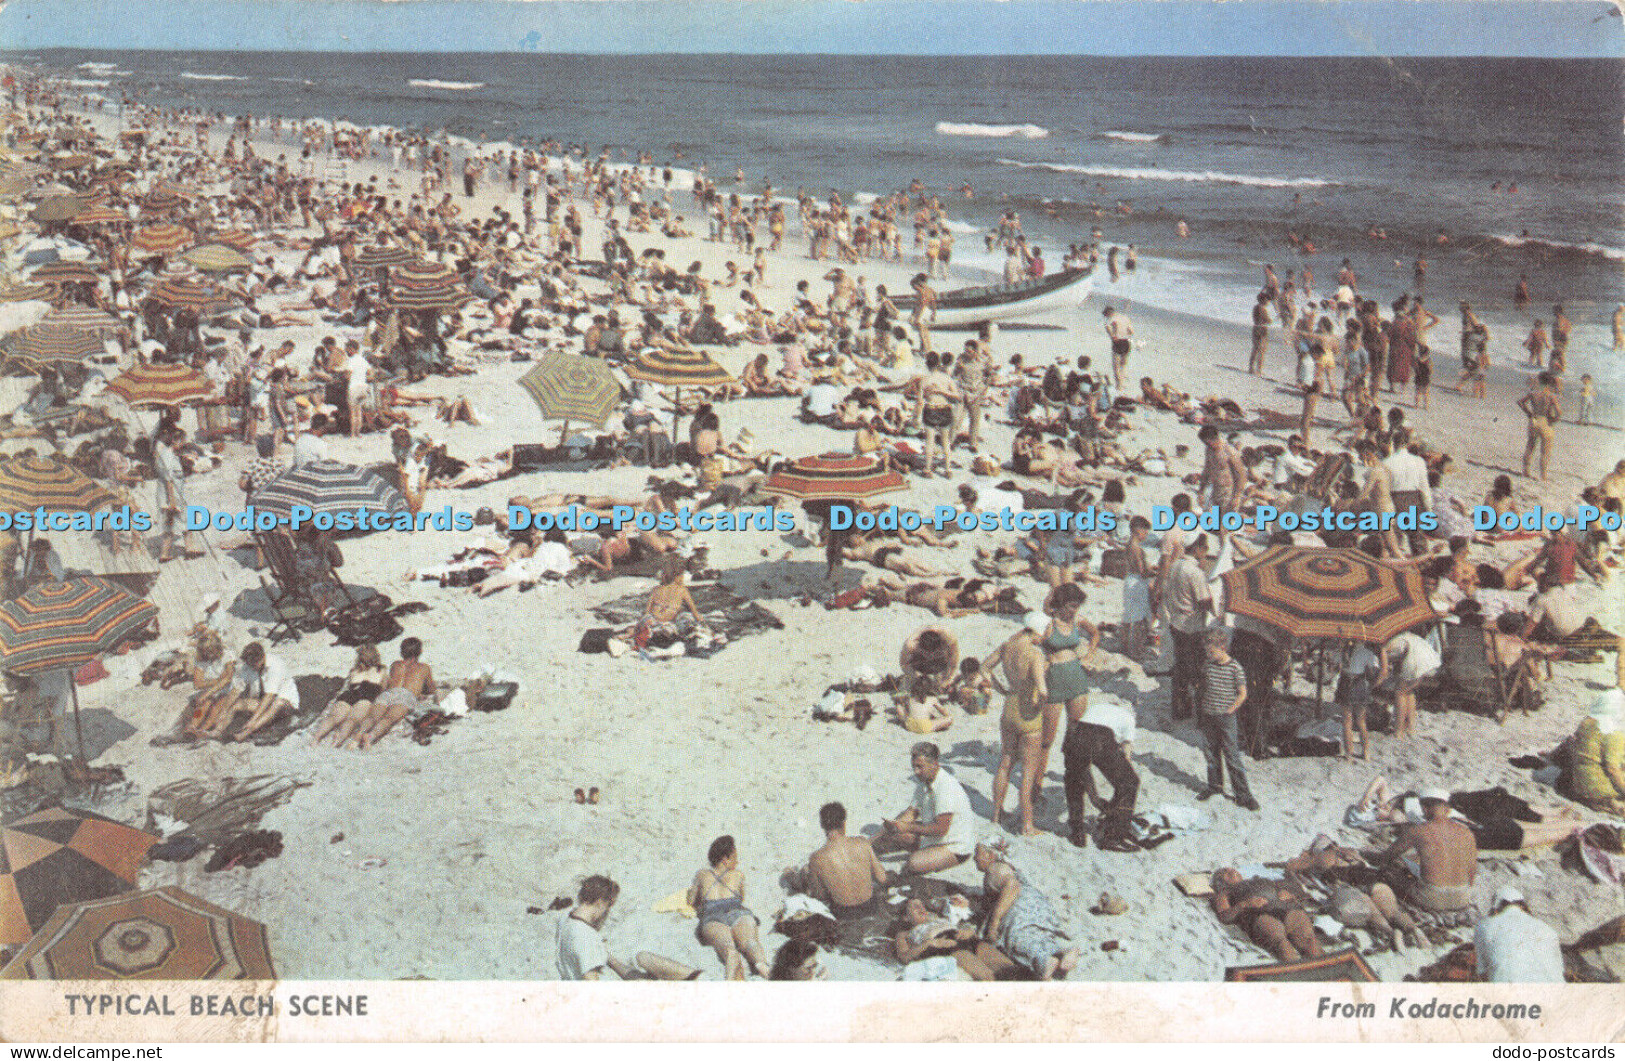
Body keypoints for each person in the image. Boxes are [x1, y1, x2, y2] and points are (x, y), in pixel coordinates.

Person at [980, 615, 1049, 836]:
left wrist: (999, 687)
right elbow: (1043, 689)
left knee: (1005, 762)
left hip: (1009, 708)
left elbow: (984, 668)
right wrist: (1040, 706)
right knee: (1028, 772)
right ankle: (1027, 825)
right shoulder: (1035, 654)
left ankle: (996, 814)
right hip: (1028, 713)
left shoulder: (1007, 646)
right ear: (1036, 632)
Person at [974, 843, 1079, 980]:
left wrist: (995, 921)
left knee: (1017, 939)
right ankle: (1061, 952)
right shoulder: (1006, 868)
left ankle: (1045, 961)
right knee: (1036, 934)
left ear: (991, 855)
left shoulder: (994, 869)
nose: (975, 859)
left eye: (978, 854)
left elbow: (1012, 886)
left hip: (1019, 905)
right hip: (1036, 904)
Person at [879, 742, 976, 872]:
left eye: (920, 767)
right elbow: (912, 812)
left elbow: (941, 829)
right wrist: (895, 826)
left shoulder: (945, 787)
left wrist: (907, 827)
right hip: (935, 836)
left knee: (914, 863)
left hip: (955, 845)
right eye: (914, 767)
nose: (916, 772)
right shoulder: (925, 780)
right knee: (893, 833)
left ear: (934, 764)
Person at [1377, 788, 1477, 912]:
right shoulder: (1467, 832)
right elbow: (1472, 872)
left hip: (1431, 898)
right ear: (1447, 809)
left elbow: (1389, 855)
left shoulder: (1418, 830)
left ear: (1424, 808)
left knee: (1392, 869)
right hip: (1462, 898)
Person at [687, 835, 771, 979]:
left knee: (728, 948)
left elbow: (691, 901)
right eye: (735, 858)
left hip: (712, 915)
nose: (737, 861)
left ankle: (732, 960)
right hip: (737, 912)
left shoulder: (702, 874)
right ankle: (762, 966)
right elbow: (741, 898)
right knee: (751, 943)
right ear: (725, 860)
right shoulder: (738, 875)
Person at [1063, 693, 1138, 851]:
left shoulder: (1096, 708)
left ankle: (1077, 833)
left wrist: (1094, 796)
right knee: (1130, 782)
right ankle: (1113, 836)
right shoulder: (1129, 718)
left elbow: (1084, 768)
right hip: (1101, 737)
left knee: (1074, 782)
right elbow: (1126, 757)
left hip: (1075, 733)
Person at [1197, 628, 1259, 811]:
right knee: (1210, 752)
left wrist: (1230, 710)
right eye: (1207, 651)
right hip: (1208, 714)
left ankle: (1244, 795)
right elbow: (1204, 685)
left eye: (1212, 651)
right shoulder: (1208, 664)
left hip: (1226, 718)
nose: (1209, 654)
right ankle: (1214, 786)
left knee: (1232, 756)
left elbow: (1242, 694)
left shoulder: (1235, 668)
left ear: (1223, 647)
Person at [1210, 868, 1323, 963]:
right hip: (1257, 914)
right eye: (1226, 872)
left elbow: (1297, 890)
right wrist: (1244, 904)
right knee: (1281, 943)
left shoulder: (1260, 879)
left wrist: (1287, 893)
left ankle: (1323, 968)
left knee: (1309, 939)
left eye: (1232, 870)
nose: (1232, 871)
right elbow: (1224, 916)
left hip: (1285, 907)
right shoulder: (1225, 893)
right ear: (1221, 882)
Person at [802, 802, 890, 917]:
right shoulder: (862, 843)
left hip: (844, 912)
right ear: (844, 823)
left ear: (822, 825)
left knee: (805, 876)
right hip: (870, 906)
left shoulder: (816, 858)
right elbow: (882, 878)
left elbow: (820, 895)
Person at [1166, 533, 1215, 720]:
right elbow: (1203, 602)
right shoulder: (1195, 572)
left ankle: (1180, 710)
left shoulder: (1176, 565)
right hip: (1191, 626)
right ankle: (1201, 714)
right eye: (1205, 548)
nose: (1206, 552)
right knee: (1198, 671)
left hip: (1176, 622)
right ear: (1197, 549)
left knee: (1180, 669)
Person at [1474, 886, 1564, 983]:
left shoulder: (1484, 926)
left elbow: (1482, 971)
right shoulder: (1547, 929)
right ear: (1523, 906)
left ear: (1496, 909)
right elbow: (1559, 970)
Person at [557, 875, 634, 981]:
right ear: (600, 902)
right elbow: (591, 980)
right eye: (608, 905)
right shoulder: (587, 936)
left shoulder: (565, 917)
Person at [1566, 690, 1625, 815]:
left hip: (1578, 783)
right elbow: (1612, 769)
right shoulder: (1614, 732)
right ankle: (1610, 802)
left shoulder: (1586, 724)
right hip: (1598, 789)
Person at [1518, 373, 1561, 481]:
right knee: (1545, 451)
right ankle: (1543, 475)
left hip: (1534, 419)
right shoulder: (1551, 396)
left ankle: (1526, 471)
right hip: (1545, 421)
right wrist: (1553, 420)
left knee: (1530, 446)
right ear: (1549, 383)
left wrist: (1528, 413)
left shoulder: (1533, 393)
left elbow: (1520, 402)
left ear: (1539, 381)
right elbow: (1559, 412)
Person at [1103, 306, 1134, 391]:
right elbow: (1131, 331)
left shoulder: (1110, 320)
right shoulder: (1125, 318)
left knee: (1116, 366)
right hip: (1126, 342)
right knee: (1123, 365)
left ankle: (1119, 386)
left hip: (1118, 342)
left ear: (1108, 314)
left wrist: (1113, 336)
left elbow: (1109, 331)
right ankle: (1123, 384)